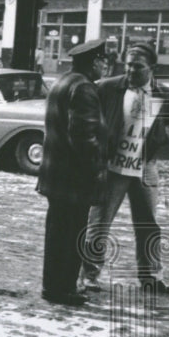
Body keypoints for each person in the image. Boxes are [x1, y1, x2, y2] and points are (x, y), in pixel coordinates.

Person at [79, 41, 169, 295]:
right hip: (113, 166)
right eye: (128, 65)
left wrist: (157, 140)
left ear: (152, 67)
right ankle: (90, 275)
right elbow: (92, 120)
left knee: (149, 224)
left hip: (145, 167)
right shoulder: (109, 87)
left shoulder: (163, 94)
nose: (131, 70)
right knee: (100, 221)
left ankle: (151, 277)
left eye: (138, 66)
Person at [35, 39, 108, 306]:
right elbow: (84, 137)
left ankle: (51, 286)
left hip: (55, 175)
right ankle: (63, 289)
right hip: (74, 178)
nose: (105, 66)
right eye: (103, 61)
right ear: (93, 62)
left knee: (57, 233)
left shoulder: (62, 82)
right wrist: (97, 170)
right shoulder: (85, 88)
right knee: (71, 234)